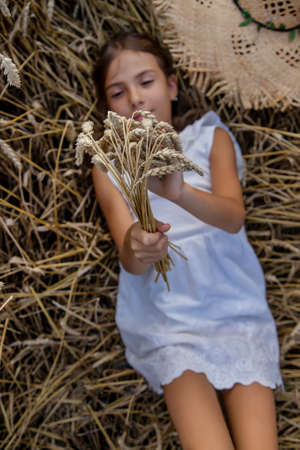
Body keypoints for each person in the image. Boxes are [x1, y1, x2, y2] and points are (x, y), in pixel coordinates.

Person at [91, 31, 282, 450]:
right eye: (118, 93)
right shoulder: (109, 168)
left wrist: (179, 194)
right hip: (169, 320)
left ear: (171, 86)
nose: (137, 99)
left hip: (235, 309)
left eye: (146, 82)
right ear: (109, 108)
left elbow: (233, 217)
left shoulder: (210, 137)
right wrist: (142, 244)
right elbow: (130, 258)